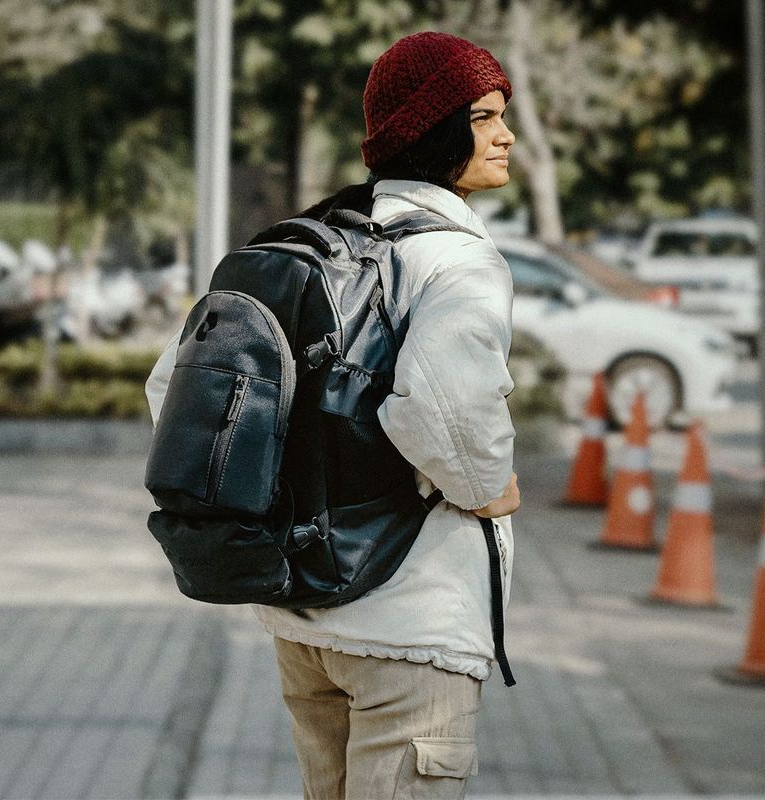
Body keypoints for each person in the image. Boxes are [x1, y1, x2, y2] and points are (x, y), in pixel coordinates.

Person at [146, 30, 519, 800]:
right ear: (432, 129)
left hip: (303, 615)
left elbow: (171, 393)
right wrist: (488, 485)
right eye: (483, 117)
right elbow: (443, 409)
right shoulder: (452, 258)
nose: (506, 135)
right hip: (410, 626)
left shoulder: (308, 242)